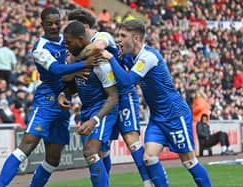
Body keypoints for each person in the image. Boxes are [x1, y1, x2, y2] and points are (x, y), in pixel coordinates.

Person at [91, 20, 212, 187]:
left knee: (189, 161)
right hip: (157, 117)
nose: (119, 39)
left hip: (175, 114)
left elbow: (127, 81)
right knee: (149, 158)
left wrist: (111, 57)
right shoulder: (129, 56)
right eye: (118, 35)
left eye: (123, 36)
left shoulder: (149, 57)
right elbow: (111, 50)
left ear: (135, 38)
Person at [0, 7, 90, 187]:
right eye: (49, 24)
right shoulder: (39, 48)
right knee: (27, 145)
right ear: (42, 25)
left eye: (57, 23)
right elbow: (56, 69)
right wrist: (84, 64)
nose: (54, 27)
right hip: (47, 99)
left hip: (65, 101)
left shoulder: (66, 40)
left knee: (53, 159)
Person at [66, 9, 152, 186]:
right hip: (103, 97)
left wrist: (76, 60)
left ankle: (149, 181)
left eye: (72, 26)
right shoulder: (78, 48)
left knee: (131, 140)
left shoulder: (102, 36)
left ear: (84, 27)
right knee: (102, 151)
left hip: (122, 93)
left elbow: (96, 48)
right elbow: (68, 70)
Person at [61, 21, 119, 187]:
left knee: (90, 152)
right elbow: (68, 83)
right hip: (87, 109)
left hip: (103, 109)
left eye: (69, 42)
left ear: (80, 40)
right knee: (99, 153)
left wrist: (95, 119)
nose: (66, 46)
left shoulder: (99, 61)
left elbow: (113, 97)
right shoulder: (76, 60)